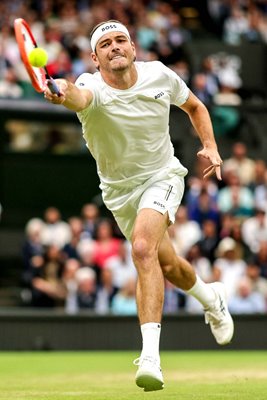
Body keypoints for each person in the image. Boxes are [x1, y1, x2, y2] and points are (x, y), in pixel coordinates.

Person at [44, 19, 234, 392]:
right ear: (95, 59)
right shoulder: (90, 86)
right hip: (118, 192)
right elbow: (75, 95)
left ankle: (150, 357)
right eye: (106, 44)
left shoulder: (160, 75)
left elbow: (195, 107)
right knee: (168, 265)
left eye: (121, 41)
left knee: (143, 249)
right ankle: (212, 298)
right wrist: (60, 91)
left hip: (162, 177)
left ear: (133, 48)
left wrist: (211, 146)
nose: (115, 47)